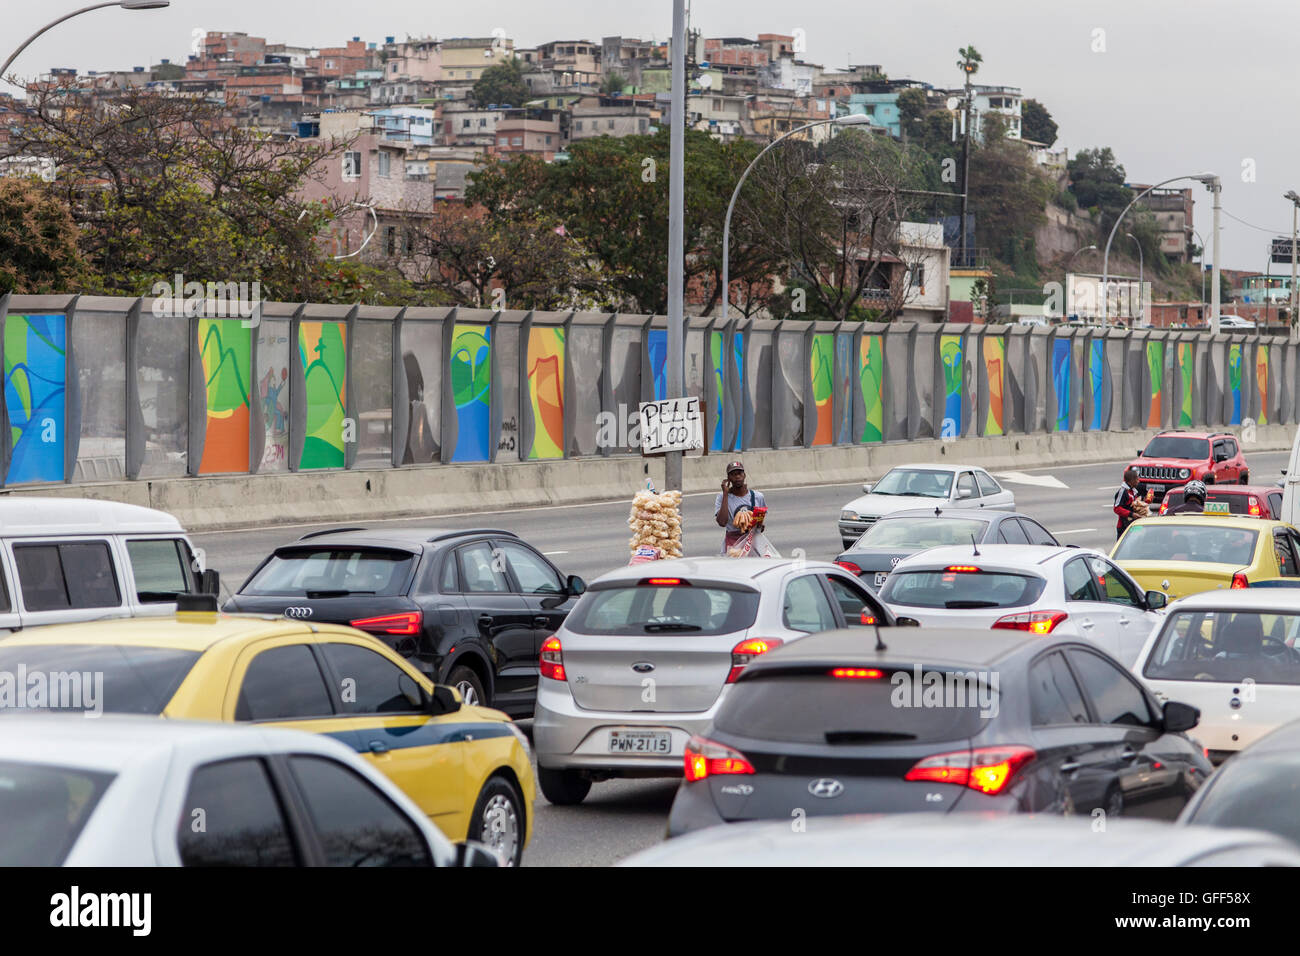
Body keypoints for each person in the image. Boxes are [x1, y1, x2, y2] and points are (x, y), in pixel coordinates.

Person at [715, 461, 766, 554]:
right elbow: (722, 522)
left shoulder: (758, 496)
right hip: (733, 545)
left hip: (753, 543)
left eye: (739, 473)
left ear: (744, 475)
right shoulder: (722, 497)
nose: (737, 477)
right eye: (733, 474)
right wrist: (725, 494)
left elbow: (760, 525)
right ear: (728, 478)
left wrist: (759, 526)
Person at [1113, 467, 1147, 540]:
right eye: (1137, 479)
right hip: (1124, 526)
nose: (1138, 481)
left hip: (1134, 524)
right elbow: (1117, 508)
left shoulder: (1134, 491)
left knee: (1135, 543)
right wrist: (1131, 514)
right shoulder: (1123, 492)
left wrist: (1146, 500)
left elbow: (1137, 504)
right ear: (1130, 481)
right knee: (1123, 547)